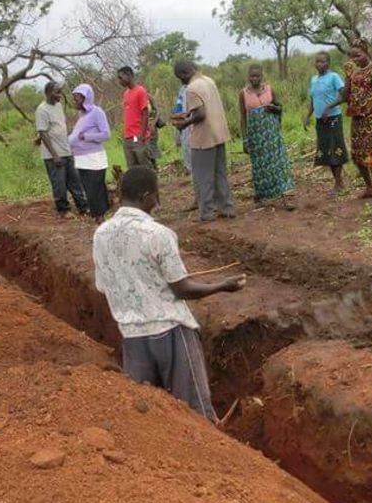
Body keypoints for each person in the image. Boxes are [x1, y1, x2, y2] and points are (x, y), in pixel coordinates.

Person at [93, 167, 246, 422]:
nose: (158, 201)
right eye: (156, 195)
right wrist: (223, 285)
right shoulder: (158, 234)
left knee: (151, 418)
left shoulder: (101, 235)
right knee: (196, 414)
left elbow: (102, 285)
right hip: (171, 333)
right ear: (146, 196)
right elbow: (182, 289)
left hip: (132, 337)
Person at [171, 60, 235, 222]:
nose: (181, 81)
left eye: (180, 77)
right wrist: (189, 115)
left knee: (202, 177)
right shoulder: (208, 81)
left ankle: (206, 212)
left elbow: (200, 114)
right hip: (219, 133)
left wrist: (184, 124)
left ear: (185, 74)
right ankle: (227, 208)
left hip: (204, 136)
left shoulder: (191, 89)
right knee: (220, 173)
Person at [324, 39, 372, 198]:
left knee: (371, 155)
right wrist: (329, 106)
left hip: (371, 120)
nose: (355, 60)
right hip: (356, 120)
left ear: (366, 52)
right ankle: (369, 188)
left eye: (358, 55)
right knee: (357, 156)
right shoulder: (352, 74)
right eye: (352, 57)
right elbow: (345, 96)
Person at [239, 64, 294, 206]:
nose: (254, 78)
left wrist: (273, 108)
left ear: (262, 76)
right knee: (259, 165)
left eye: (257, 76)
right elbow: (243, 117)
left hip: (272, 133)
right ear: (248, 77)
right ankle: (260, 195)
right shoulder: (243, 93)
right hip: (256, 136)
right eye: (252, 76)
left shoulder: (269, 89)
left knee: (278, 163)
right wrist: (245, 140)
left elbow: (280, 107)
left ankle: (284, 196)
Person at [36, 82, 89, 218]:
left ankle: (83, 207)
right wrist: (55, 155)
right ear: (48, 93)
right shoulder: (42, 110)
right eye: (57, 92)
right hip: (53, 155)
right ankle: (63, 210)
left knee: (75, 180)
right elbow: (43, 133)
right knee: (59, 184)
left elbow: (59, 127)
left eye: (60, 92)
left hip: (66, 150)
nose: (60, 95)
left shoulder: (58, 106)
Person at [304, 52, 348, 196]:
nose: (319, 64)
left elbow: (344, 95)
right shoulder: (314, 80)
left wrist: (329, 107)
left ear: (328, 63)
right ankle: (338, 182)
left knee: (335, 149)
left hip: (333, 118)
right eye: (317, 62)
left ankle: (338, 183)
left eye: (322, 62)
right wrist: (308, 116)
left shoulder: (334, 77)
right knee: (326, 152)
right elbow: (313, 100)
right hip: (320, 120)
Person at [69, 83, 112, 221]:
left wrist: (86, 137)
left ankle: (100, 217)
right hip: (82, 158)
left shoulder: (97, 112)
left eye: (77, 98)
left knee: (95, 189)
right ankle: (98, 216)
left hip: (94, 158)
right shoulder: (81, 115)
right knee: (88, 188)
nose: (74, 101)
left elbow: (106, 134)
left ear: (85, 98)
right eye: (74, 98)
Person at [118, 66, 156, 169]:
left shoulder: (140, 91)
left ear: (129, 76)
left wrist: (142, 136)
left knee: (144, 165)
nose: (119, 81)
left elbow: (145, 113)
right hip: (128, 137)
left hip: (138, 136)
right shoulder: (126, 93)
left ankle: (151, 184)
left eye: (121, 78)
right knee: (132, 168)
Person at [171, 84, 191, 175]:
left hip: (191, 123)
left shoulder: (194, 87)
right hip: (182, 125)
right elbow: (178, 108)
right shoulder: (182, 89)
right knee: (186, 149)